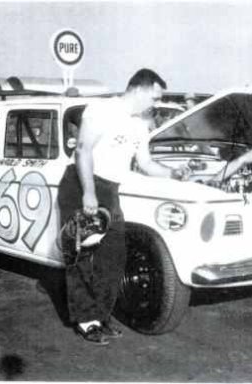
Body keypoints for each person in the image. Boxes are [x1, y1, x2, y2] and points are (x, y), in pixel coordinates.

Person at [57, 68, 189, 345]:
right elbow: (83, 150)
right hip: (82, 184)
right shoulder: (101, 110)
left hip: (110, 189)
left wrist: (174, 172)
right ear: (138, 89)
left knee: (114, 257)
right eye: (154, 97)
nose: (155, 104)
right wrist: (89, 194)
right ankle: (85, 321)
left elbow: (146, 164)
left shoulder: (139, 125)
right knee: (82, 257)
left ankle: (101, 317)